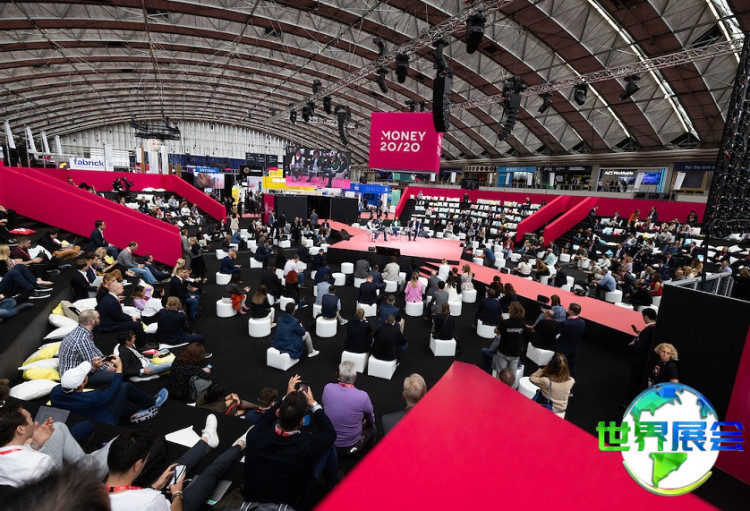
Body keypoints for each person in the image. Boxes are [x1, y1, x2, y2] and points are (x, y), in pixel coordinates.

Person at [241, 375, 338, 510]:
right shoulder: (307, 445)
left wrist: (286, 397)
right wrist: (313, 404)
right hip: (290, 503)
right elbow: (330, 434)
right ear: (302, 422)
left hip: (253, 498)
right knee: (328, 447)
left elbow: (265, 419)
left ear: (278, 412)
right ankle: (334, 487)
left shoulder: (255, 435)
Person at [105, 421, 248, 511]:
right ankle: (239, 445)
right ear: (137, 465)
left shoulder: (93, 493)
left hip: (148, 498)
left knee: (175, 468)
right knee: (209, 475)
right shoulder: (150, 500)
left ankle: (206, 440)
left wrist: (154, 487)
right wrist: (177, 493)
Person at [0, 401, 113, 487]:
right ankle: (91, 470)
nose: (34, 423)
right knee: (119, 442)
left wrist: (36, 444)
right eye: (30, 420)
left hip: (30, 488)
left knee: (58, 427)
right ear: (20, 429)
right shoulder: (39, 462)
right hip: (61, 493)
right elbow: (58, 493)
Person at [51, 359, 168, 425]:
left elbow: (83, 381)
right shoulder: (92, 397)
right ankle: (152, 402)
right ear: (82, 384)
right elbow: (112, 391)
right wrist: (119, 368)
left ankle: (133, 413)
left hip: (87, 415)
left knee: (117, 400)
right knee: (125, 387)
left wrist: (93, 369)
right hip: (106, 420)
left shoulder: (55, 393)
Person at [322, 361, 376, 456]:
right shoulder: (363, 396)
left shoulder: (327, 388)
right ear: (355, 376)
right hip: (349, 446)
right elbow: (371, 420)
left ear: (338, 374)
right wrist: (364, 422)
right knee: (373, 428)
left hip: (327, 442)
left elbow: (325, 407)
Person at [58, 309, 117, 386]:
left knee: (113, 363)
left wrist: (105, 360)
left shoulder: (81, 331)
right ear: (92, 322)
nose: (100, 319)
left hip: (78, 368)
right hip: (73, 378)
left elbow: (93, 350)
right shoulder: (82, 340)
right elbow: (91, 362)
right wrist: (109, 368)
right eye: (98, 318)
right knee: (115, 376)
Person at [96, 280, 150, 349]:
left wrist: (131, 318)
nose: (123, 290)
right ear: (117, 289)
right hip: (110, 325)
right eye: (122, 288)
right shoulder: (112, 302)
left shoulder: (109, 297)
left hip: (110, 320)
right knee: (137, 324)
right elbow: (119, 317)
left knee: (136, 320)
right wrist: (131, 318)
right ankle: (142, 345)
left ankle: (136, 340)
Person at [480, 302, 531, 375]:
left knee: (500, 374)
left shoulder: (505, 323)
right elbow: (527, 336)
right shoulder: (523, 324)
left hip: (503, 353)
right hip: (515, 354)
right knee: (511, 375)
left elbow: (496, 331)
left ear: (511, 310)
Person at [628, 308, 657, 399]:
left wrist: (636, 341)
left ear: (646, 317)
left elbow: (639, 347)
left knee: (635, 382)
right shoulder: (654, 328)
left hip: (639, 361)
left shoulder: (648, 330)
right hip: (645, 361)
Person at [556, 303, 585, 378]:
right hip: (574, 347)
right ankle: (572, 378)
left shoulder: (566, 323)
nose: (567, 309)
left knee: (558, 364)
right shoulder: (582, 322)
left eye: (569, 308)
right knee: (571, 365)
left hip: (563, 347)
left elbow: (558, 332)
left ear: (572, 311)